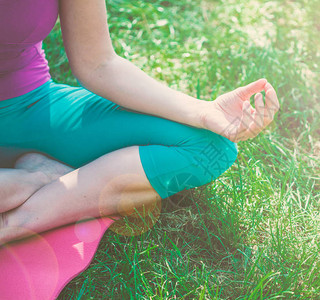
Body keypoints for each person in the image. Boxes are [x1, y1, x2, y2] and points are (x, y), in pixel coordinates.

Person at [0, 0, 279, 245]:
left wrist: (204, 111)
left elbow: (98, 64)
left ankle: (19, 218)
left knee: (209, 146)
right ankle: (49, 181)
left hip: (26, 106)